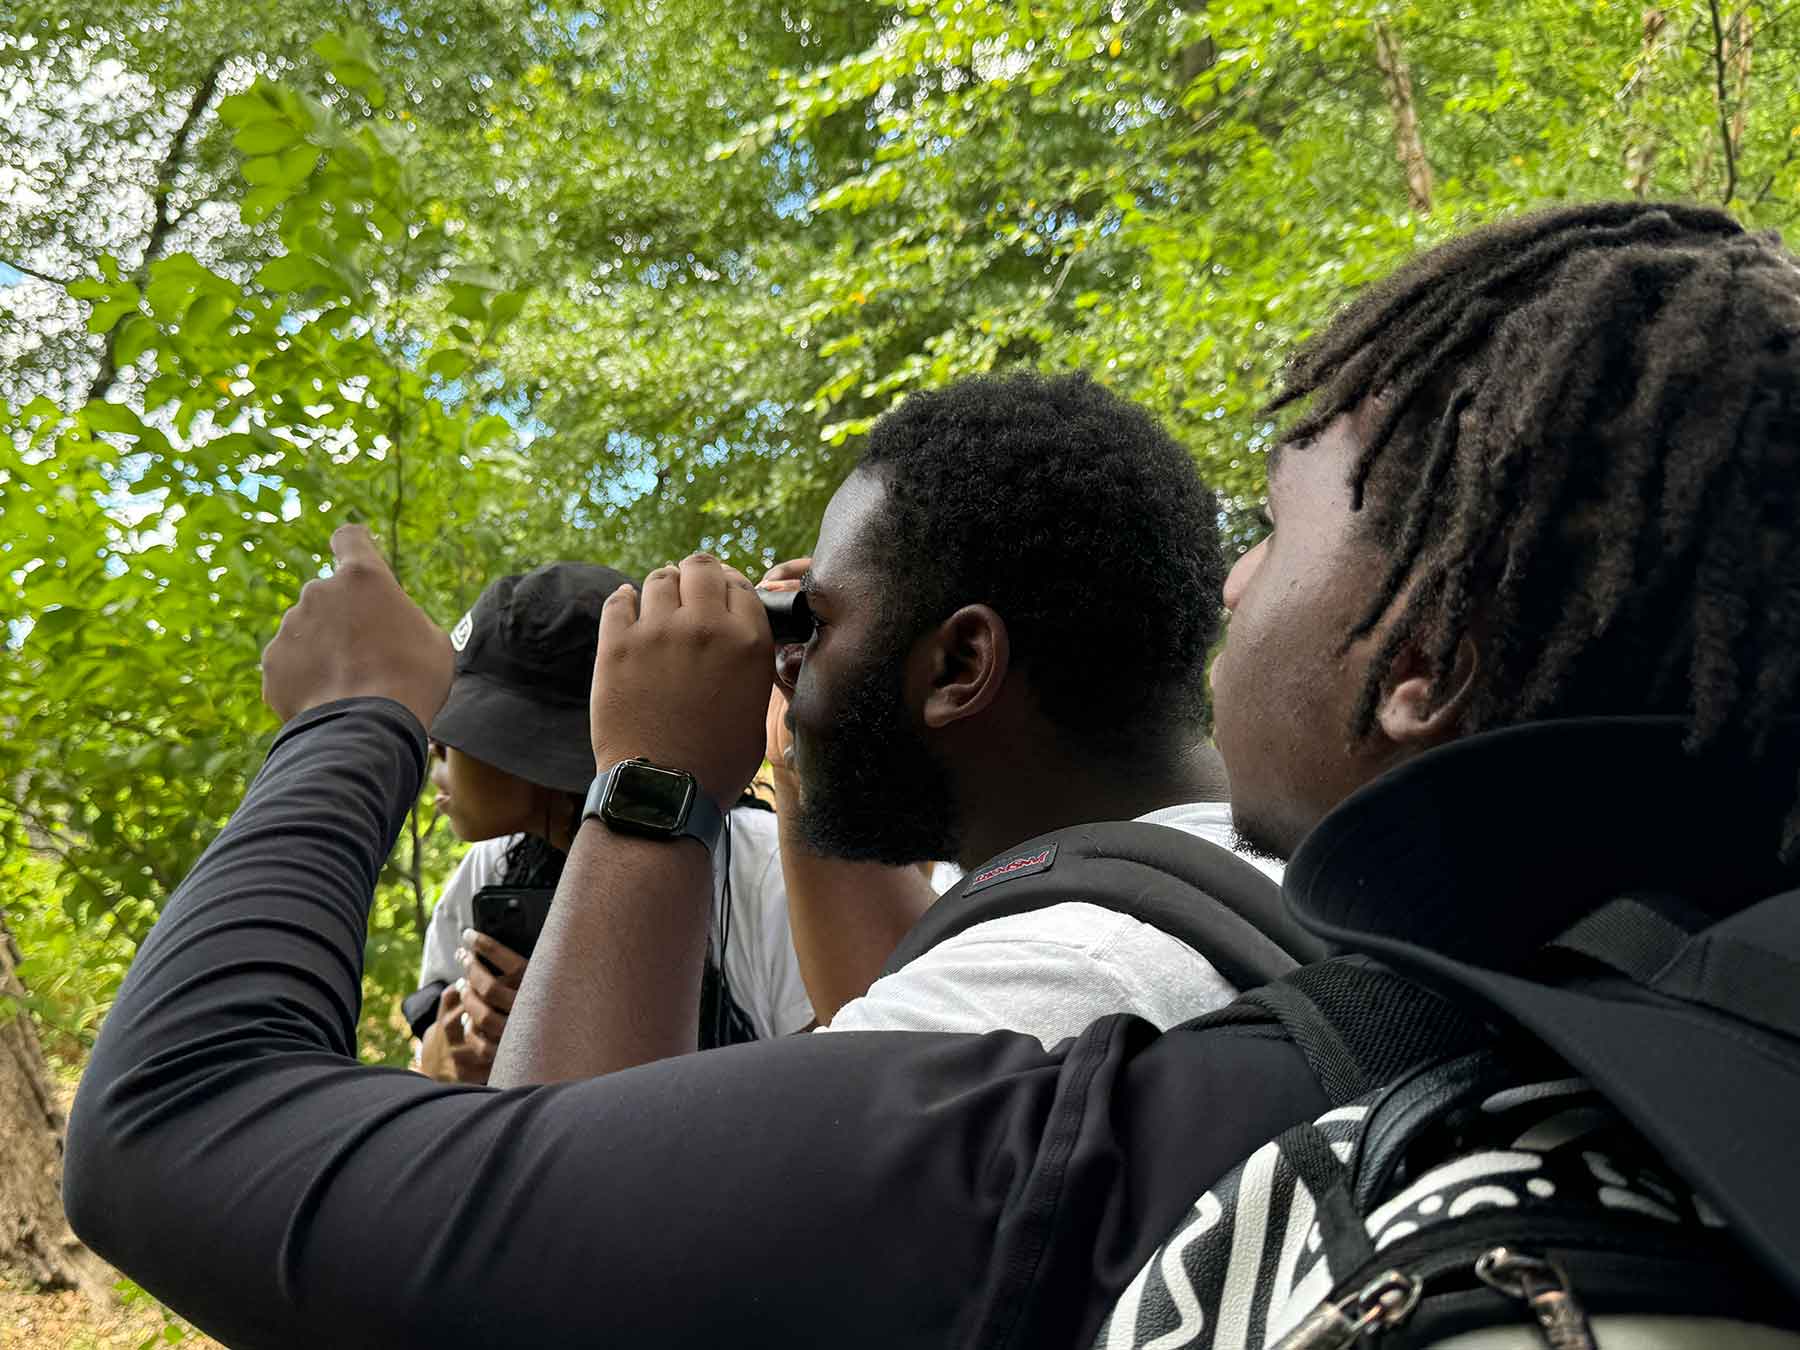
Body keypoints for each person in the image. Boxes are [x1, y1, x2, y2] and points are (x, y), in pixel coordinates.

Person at [65, 203, 1800, 1348]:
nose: (1236, 586)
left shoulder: (1071, 1010)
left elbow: (499, 1247)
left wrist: (397, 726)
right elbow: (877, 998)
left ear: (1421, 660)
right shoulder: (1512, 986)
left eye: (1273, 533)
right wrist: (822, 715)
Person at [494, 372, 1279, 1081]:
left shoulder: (1061, 983)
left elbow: (544, 1210)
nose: (788, 661)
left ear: (961, 665)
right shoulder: (1235, 879)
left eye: (818, 623)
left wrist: (652, 779)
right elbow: (887, 995)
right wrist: (811, 742)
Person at [410, 561, 814, 1083]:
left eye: (451, 741)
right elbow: (432, 1053)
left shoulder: (763, 870)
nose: (434, 756)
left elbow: (822, 1085)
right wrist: (443, 1062)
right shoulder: (486, 871)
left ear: (532, 751)